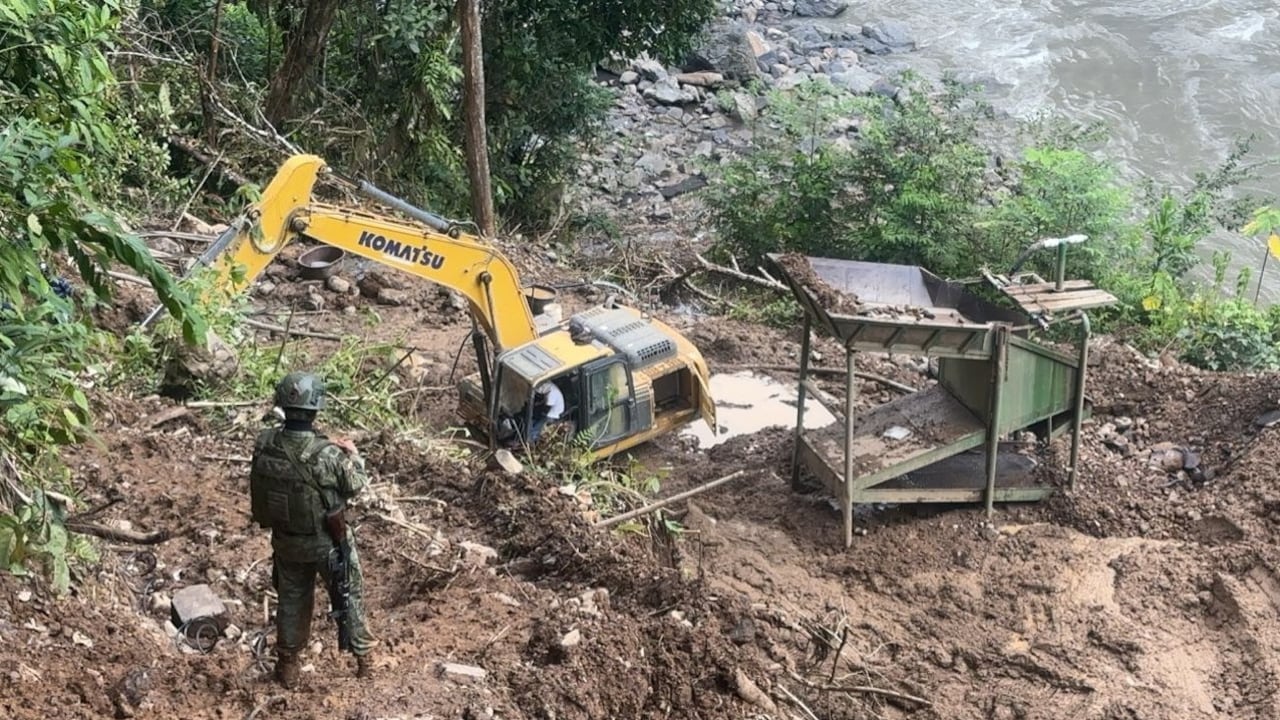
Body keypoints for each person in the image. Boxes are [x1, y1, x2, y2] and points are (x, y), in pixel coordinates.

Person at [248, 372, 377, 689]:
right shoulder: (328, 454)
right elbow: (355, 484)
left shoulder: (265, 444)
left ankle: (288, 668)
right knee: (348, 597)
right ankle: (365, 664)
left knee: (291, 601)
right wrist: (353, 455)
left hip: (286, 544)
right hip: (327, 543)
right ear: (316, 407)